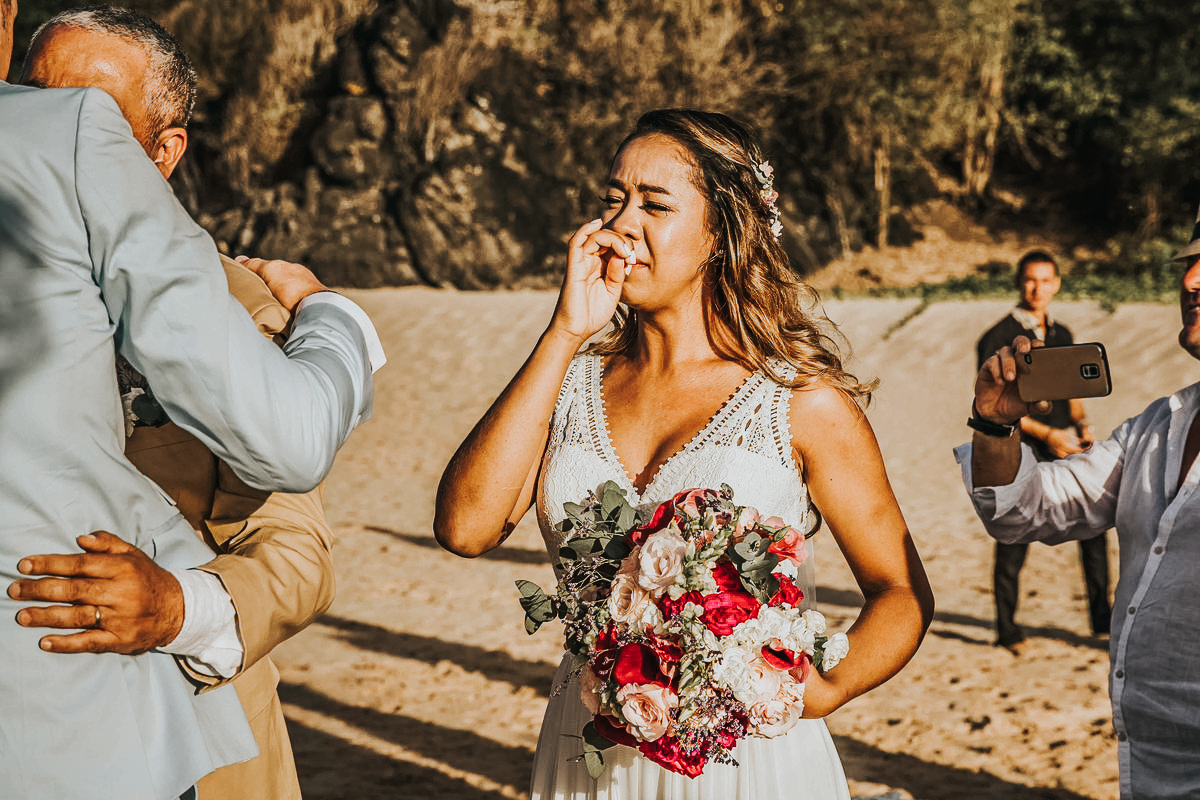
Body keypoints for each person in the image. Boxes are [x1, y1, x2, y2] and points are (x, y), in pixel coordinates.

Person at [434, 108, 934, 798]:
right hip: (589, 758)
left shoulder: (797, 401)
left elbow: (901, 591)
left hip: (747, 765)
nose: (621, 225)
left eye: (654, 204)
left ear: (718, 236)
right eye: (613, 200)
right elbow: (466, 528)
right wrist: (562, 334)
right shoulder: (568, 384)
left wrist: (824, 689)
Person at [0, 1, 384, 797]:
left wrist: (178, 606)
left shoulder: (234, 305)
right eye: (38, 94)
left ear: (164, 150)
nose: (61, 119)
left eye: (94, 114)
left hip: (210, 753)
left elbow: (297, 554)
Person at [957, 209, 1200, 797]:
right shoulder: (1155, 429)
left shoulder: (1064, 333)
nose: (1190, 281)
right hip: (1148, 764)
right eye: (1190, 264)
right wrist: (994, 425)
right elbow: (1020, 509)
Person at [974, 250, 1110, 655]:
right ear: (1019, 282)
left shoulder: (1064, 333)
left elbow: (1074, 392)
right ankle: (1007, 630)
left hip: (1068, 444)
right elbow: (991, 404)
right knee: (1014, 533)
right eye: (1031, 279)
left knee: (1095, 526)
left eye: (1046, 280)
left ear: (1057, 283)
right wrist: (1048, 435)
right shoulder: (997, 337)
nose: (1038, 288)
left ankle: (1103, 620)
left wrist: (1083, 427)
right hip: (1021, 449)